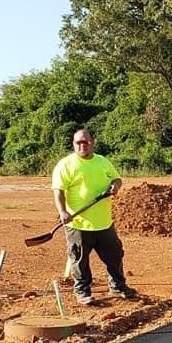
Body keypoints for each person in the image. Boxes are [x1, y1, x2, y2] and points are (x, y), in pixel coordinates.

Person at [51, 128, 136, 306]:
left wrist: (115, 185)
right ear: (73, 144)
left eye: (86, 141)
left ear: (92, 142)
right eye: (79, 142)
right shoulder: (65, 165)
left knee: (115, 256)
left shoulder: (102, 161)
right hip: (78, 224)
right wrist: (63, 211)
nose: (83, 145)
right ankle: (82, 291)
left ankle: (118, 286)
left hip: (104, 223)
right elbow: (58, 191)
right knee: (79, 260)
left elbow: (117, 179)